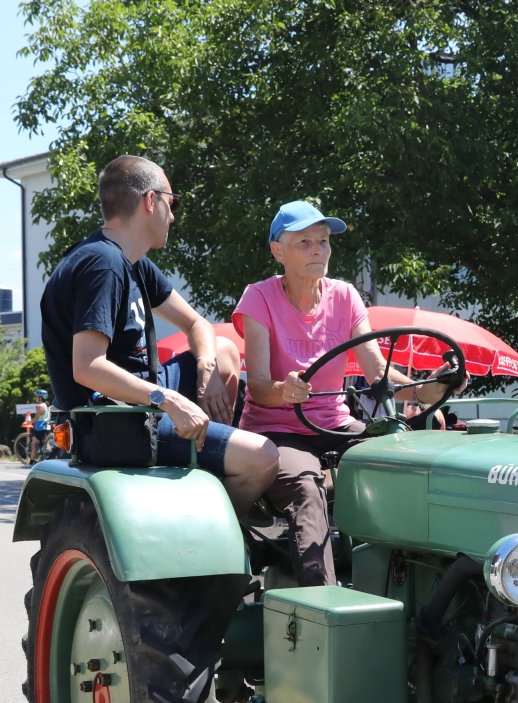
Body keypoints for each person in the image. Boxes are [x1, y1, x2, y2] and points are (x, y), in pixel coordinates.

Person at [235, 199, 456, 586]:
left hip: (334, 426)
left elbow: (379, 375)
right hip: (276, 431)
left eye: (323, 241)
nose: (318, 250)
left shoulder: (345, 296)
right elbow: (258, 386)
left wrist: (429, 388)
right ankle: (321, 603)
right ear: (278, 251)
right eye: (305, 242)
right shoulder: (259, 297)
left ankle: (421, 586)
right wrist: (284, 390)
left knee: (408, 460)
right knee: (306, 486)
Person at [39, 155, 277, 508]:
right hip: (114, 420)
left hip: (143, 396)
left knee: (224, 351)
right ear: (151, 201)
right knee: (263, 458)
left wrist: (207, 370)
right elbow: (87, 367)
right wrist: (167, 399)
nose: (174, 215)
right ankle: (205, 523)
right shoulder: (102, 265)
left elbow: (197, 324)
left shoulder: (133, 263)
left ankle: (209, 452)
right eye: (172, 202)